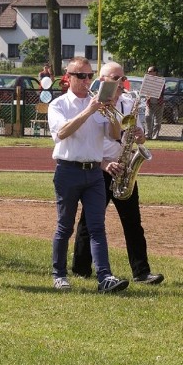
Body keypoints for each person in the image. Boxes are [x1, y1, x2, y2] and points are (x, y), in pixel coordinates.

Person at [71, 62, 163, 285]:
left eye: (122, 78)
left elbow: (136, 135)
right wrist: (104, 164)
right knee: (89, 222)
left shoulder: (129, 103)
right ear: (102, 80)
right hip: (99, 169)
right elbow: (87, 142)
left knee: (133, 222)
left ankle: (141, 272)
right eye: (115, 78)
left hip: (124, 168)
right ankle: (81, 269)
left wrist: (140, 136)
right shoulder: (93, 106)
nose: (120, 83)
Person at [47, 56, 126, 293]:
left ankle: (105, 276)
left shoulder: (98, 103)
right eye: (81, 76)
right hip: (68, 170)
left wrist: (111, 111)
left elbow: (114, 135)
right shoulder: (58, 105)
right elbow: (61, 133)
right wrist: (89, 111)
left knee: (97, 226)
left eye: (89, 75)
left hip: (93, 173)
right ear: (68, 78)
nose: (86, 80)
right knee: (65, 226)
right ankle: (59, 273)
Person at [144, 66, 164, 140]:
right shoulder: (146, 80)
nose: (148, 73)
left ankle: (155, 136)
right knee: (147, 117)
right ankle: (147, 135)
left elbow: (161, 91)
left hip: (159, 103)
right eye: (148, 71)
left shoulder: (160, 81)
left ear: (155, 72)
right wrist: (147, 96)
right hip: (149, 103)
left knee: (157, 122)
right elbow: (144, 90)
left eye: (150, 71)